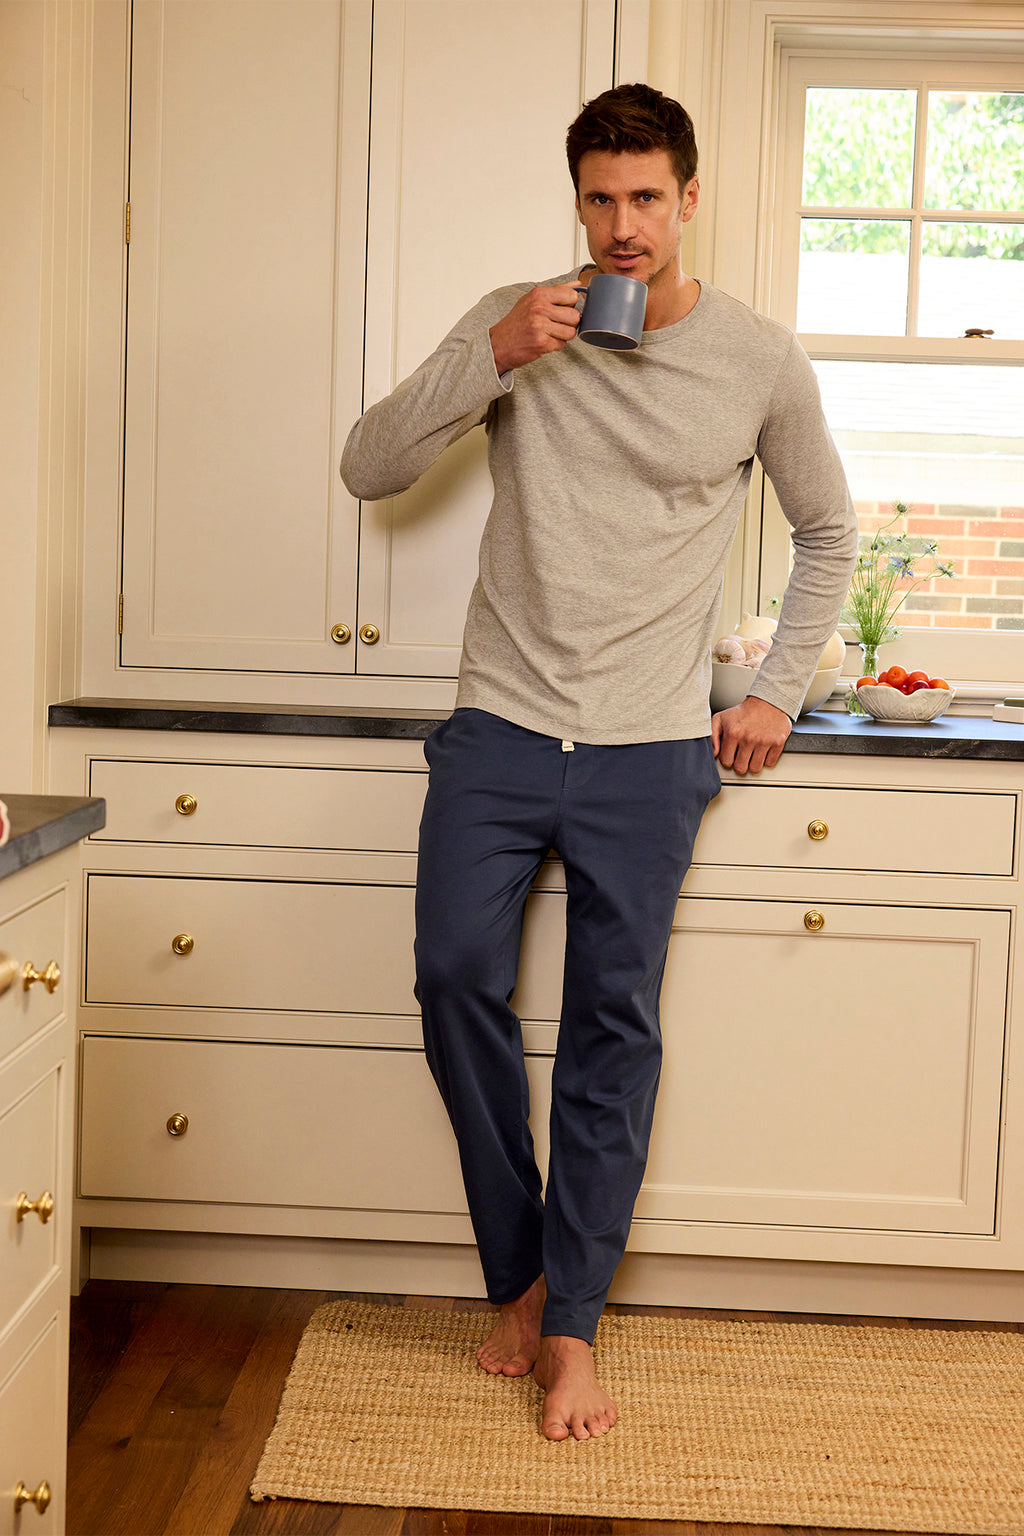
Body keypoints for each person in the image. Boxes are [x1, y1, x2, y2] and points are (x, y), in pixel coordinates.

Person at [341, 82, 857, 1442]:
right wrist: (494, 356)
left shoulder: (758, 360)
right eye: (599, 198)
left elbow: (830, 534)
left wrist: (780, 695)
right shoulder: (520, 322)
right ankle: (516, 1270)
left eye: (646, 198)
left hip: (646, 749)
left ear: (691, 200)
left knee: (610, 1036)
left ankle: (571, 1324)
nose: (622, 227)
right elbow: (368, 465)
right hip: (500, 727)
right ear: (575, 201)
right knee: (452, 975)